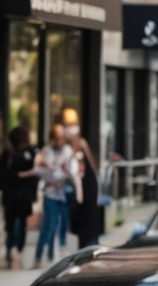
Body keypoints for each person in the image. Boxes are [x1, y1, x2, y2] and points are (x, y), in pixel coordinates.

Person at [33, 123, 79, 266]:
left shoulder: (67, 150)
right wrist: (48, 171)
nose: (60, 140)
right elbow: (38, 170)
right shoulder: (46, 151)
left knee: (63, 223)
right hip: (50, 193)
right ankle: (41, 256)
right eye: (57, 138)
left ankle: (57, 253)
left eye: (62, 137)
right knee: (49, 225)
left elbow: (72, 169)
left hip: (63, 192)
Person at [61, 110, 105, 246]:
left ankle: (89, 245)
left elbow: (89, 166)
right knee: (80, 221)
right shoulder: (67, 148)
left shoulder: (80, 144)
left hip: (86, 187)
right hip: (78, 188)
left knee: (88, 221)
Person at [2, 122, 38, 269]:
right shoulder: (20, 153)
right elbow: (34, 175)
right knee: (18, 223)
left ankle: (13, 248)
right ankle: (16, 248)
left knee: (12, 223)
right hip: (20, 194)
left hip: (14, 194)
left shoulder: (9, 154)